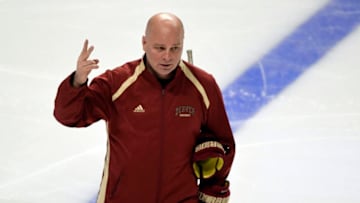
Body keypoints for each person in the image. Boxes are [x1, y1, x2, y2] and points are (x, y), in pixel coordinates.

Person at [54, 12, 235, 203]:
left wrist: (213, 188)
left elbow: (224, 144)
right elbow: (69, 116)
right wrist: (77, 82)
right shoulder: (117, 83)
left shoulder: (202, 85)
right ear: (144, 43)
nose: (167, 57)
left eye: (175, 48)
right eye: (160, 48)